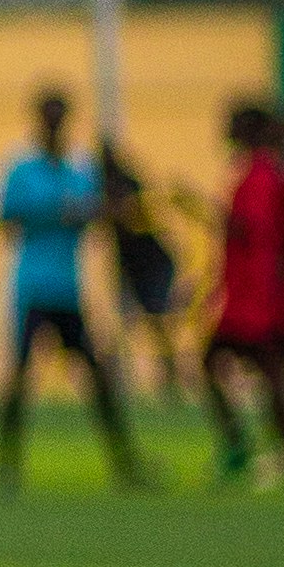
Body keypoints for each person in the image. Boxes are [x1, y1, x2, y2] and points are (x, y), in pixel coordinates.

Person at [0, 87, 150, 493]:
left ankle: (125, 462)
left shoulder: (81, 171)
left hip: (67, 292)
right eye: (48, 117)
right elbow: (3, 220)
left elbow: (103, 215)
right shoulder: (21, 169)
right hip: (32, 290)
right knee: (20, 381)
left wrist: (104, 207)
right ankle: (7, 467)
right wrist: (53, 213)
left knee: (97, 380)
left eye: (59, 117)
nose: (53, 125)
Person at [201, 98, 284, 488]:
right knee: (267, 368)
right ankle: (280, 444)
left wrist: (212, 215)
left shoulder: (259, 174)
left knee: (228, 364)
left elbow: (249, 231)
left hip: (253, 295)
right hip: (255, 291)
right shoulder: (267, 173)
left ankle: (243, 443)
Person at [94, 137, 193, 404]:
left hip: (150, 263)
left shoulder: (130, 184)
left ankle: (170, 379)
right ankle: (116, 381)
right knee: (122, 324)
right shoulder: (99, 186)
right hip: (128, 266)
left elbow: (137, 217)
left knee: (156, 322)